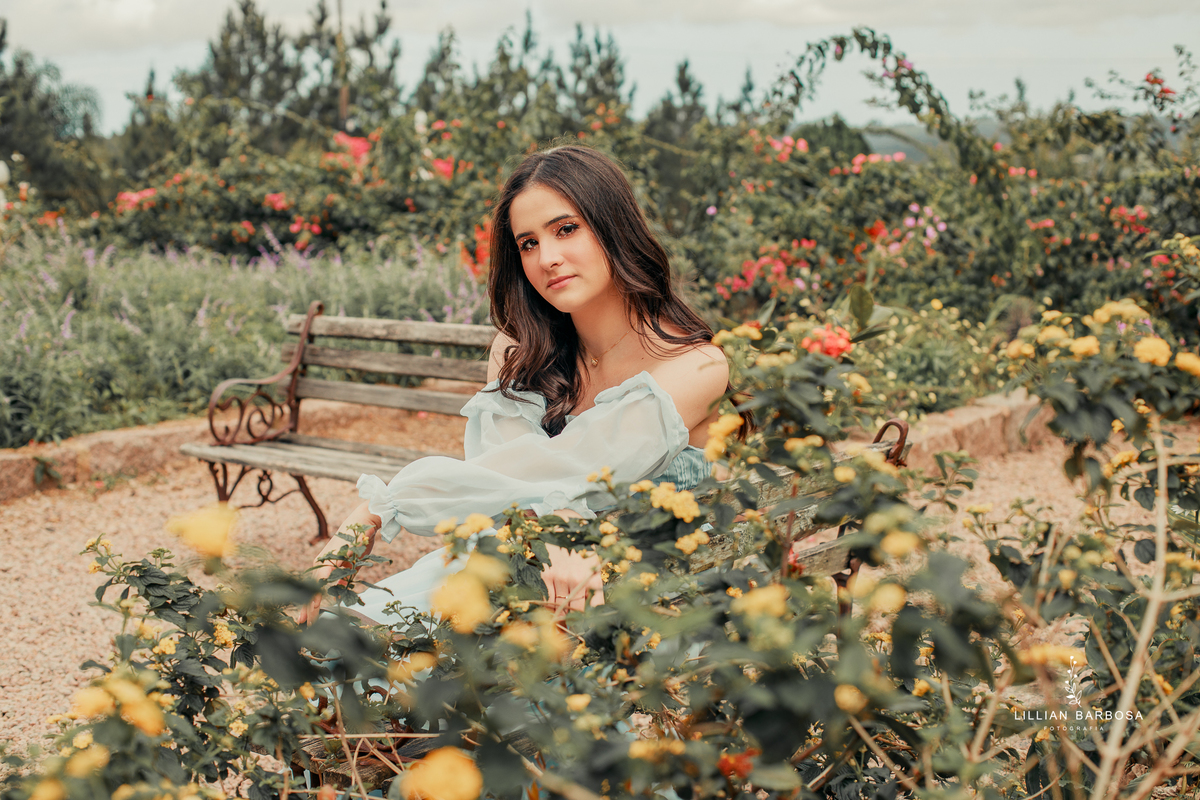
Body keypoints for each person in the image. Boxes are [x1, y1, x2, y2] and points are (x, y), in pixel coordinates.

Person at [298, 144, 730, 625]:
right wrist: (556, 522)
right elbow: (502, 481)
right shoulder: (518, 350)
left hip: (635, 611)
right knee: (332, 640)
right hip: (515, 579)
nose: (548, 258)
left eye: (566, 229)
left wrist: (380, 507)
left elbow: (573, 470)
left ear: (613, 227)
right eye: (528, 243)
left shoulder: (695, 366)